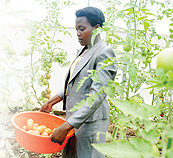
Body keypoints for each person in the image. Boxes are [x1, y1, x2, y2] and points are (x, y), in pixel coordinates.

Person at [40, 6, 117, 158]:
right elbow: (75, 84)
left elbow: (97, 95)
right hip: (74, 120)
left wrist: (67, 126)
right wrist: (52, 101)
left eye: (82, 28)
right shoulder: (84, 51)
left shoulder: (104, 53)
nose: (78, 33)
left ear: (97, 28)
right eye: (76, 29)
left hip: (90, 124)